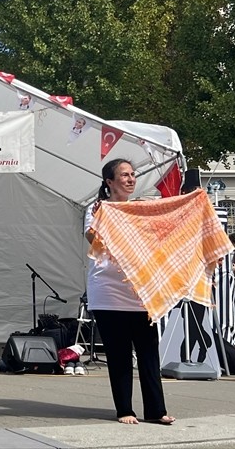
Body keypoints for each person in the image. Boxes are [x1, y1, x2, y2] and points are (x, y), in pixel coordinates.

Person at [84, 159, 175, 426]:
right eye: (124, 175)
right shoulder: (97, 209)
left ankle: (156, 410)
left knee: (148, 353)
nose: (131, 179)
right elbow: (94, 240)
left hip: (140, 292)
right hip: (108, 293)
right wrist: (107, 218)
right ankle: (125, 409)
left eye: (133, 174)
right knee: (119, 355)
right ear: (109, 182)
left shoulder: (141, 210)